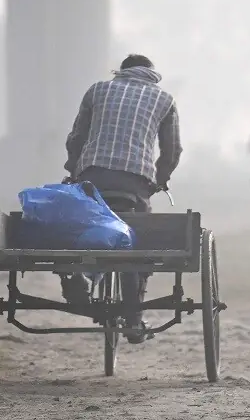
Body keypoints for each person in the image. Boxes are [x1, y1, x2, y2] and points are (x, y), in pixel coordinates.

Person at [64, 54, 182, 344]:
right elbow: (172, 151)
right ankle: (134, 319)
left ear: (121, 72)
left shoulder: (97, 90)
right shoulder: (164, 100)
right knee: (139, 242)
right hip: (135, 182)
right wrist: (160, 178)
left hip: (93, 177)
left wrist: (74, 169)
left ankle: (79, 275)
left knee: (84, 223)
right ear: (151, 74)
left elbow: (76, 138)